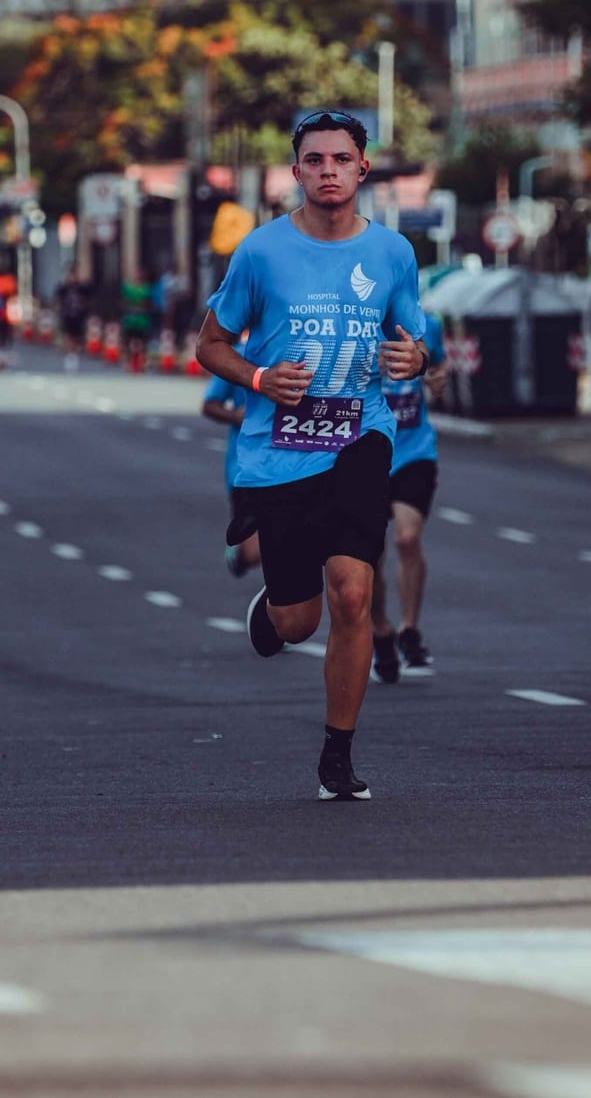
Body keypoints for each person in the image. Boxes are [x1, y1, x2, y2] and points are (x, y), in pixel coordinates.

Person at [196, 109, 428, 802]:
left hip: (362, 434)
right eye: (314, 159)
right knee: (300, 621)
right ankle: (271, 610)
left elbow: (416, 345)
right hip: (280, 450)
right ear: (295, 171)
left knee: (354, 592)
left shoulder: (393, 253)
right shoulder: (261, 252)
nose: (328, 170)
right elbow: (210, 345)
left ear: (363, 169)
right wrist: (262, 379)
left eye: (341, 158)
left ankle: (338, 754)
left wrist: (412, 356)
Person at [371, 311, 448, 682]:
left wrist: (437, 379)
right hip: (365, 453)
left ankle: (410, 630)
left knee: (407, 537)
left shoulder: (425, 324)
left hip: (414, 452)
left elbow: (439, 368)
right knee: (369, 556)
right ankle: (380, 630)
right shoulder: (353, 321)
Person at [202, 361, 262, 581]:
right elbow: (209, 405)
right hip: (244, 470)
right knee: (254, 552)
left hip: (296, 466)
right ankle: (240, 553)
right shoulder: (235, 356)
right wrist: (236, 416)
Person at [56, 266, 91, 372]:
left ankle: (74, 355)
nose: (72, 278)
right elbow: (58, 300)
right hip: (67, 315)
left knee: (76, 337)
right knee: (68, 336)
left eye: (74, 275)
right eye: (70, 275)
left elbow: (89, 296)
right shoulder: (63, 288)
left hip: (78, 315)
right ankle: (69, 356)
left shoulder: (81, 288)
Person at [121, 269, 153, 373]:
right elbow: (123, 302)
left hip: (142, 321)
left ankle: (142, 364)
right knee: (128, 343)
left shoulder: (146, 289)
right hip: (130, 320)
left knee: (142, 344)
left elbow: (148, 304)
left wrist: (142, 306)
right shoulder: (127, 288)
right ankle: (128, 364)